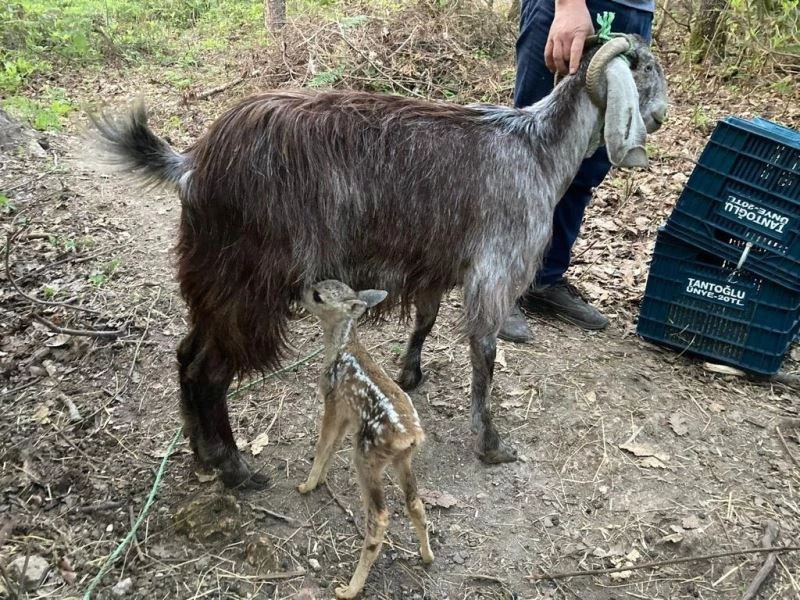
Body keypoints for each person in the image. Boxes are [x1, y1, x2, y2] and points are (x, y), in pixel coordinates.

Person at [498, 0, 655, 343]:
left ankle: (543, 279)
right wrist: (569, 5)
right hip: (580, 10)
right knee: (529, 153)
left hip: (635, 12)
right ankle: (501, 285)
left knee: (586, 164)